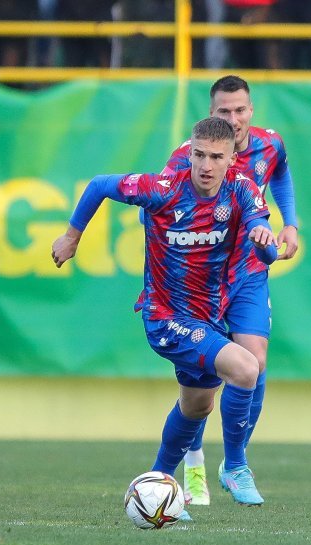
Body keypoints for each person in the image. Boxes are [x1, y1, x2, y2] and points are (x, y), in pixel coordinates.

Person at [52, 117, 278, 521]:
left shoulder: (242, 190)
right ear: (189, 152)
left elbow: (264, 240)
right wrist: (72, 236)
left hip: (207, 321)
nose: (205, 165)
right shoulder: (164, 189)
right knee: (246, 367)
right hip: (165, 318)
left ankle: (157, 483)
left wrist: (264, 243)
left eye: (215, 157)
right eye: (198, 154)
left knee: (196, 406)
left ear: (231, 160)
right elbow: (101, 183)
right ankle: (236, 466)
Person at [162, 75, 298, 506]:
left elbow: (281, 177)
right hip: (202, 279)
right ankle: (193, 464)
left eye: (240, 110)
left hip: (249, 271)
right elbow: (166, 205)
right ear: (210, 112)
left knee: (254, 361)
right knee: (201, 386)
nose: (234, 119)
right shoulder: (190, 158)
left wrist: (288, 223)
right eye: (224, 111)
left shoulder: (269, 145)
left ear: (251, 110)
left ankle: (235, 464)